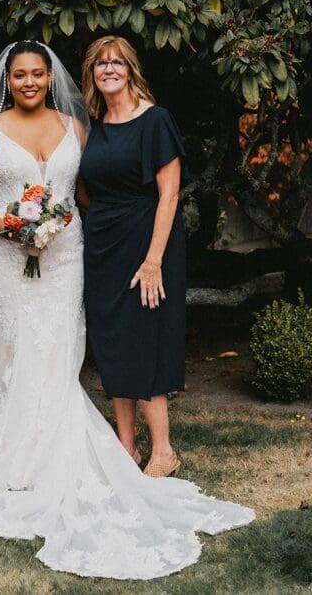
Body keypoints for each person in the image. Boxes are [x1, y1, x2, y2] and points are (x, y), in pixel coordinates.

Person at [0, 40, 254, 579]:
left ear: (51, 78)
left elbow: (154, 193)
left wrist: (140, 254)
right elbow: (58, 193)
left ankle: (159, 447)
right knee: (65, 343)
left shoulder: (103, 124)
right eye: (100, 64)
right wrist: (25, 223)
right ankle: (98, 444)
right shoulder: (58, 127)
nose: (29, 81)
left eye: (38, 73)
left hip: (105, 245)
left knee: (84, 342)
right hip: (66, 247)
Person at [78, 35, 187, 477]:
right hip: (103, 244)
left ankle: (163, 450)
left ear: (130, 70)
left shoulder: (156, 121)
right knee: (111, 342)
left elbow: (170, 194)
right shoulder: (96, 126)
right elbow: (85, 188)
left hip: (148, 242)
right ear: (92, 74)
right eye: (100, 63)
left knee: (143, 339)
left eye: (116, 63)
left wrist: (153, 259)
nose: (108, 69)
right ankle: (127, 446)